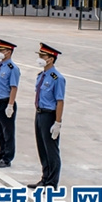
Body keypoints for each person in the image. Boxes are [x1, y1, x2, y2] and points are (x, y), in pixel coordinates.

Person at [28, 43, 66, 189]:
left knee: (51, 150)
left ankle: (52, 182)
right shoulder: (41, 76)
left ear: (50, 59)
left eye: (42, 56)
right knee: (42, 148)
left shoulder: (57, 78)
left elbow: (60, 101)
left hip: (49, 116)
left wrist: (58, 122)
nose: (40, 58)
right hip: (39, 114)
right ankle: (44, 178)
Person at [0, 39, 20, 168]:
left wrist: (10, 105)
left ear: (8, 52)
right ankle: (1, 154)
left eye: (1, 50)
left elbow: (14, 87)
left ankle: (7, 158)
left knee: (8, 132)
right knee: (0, 131)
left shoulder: (12, 68)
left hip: (6, 103)